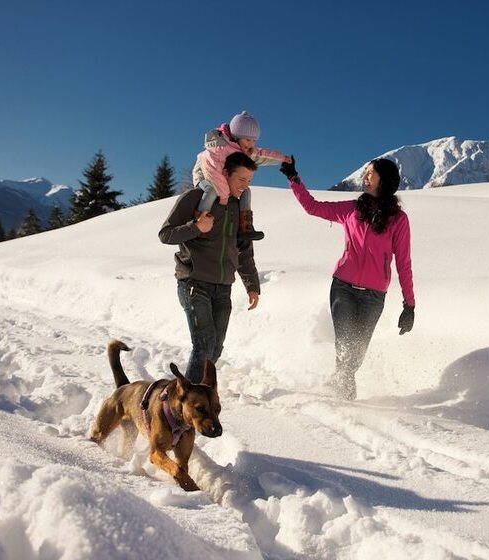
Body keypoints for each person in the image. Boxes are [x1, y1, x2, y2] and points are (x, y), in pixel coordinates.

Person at [280, 156, 416, 400]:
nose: (365, 176)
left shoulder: (398, 220)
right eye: (366, 172)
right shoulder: (352, 209)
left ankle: (338, 387)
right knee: (344, 346)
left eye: (371, 173)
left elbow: (404, 263)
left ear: (384, 179)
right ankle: (344, 399)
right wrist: (293, 178)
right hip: (343, 287)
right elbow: (313, 207)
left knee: (356, 354)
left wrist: (410, 305)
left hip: (374, 296)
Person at [159, 151, 262, 383]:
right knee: (203, 344)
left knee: (215, 349)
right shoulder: (196, 197)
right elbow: (166, 234)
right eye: (241, 179)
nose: (245, 186)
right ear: (225, 173)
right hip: (194, 283)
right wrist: (196, 227)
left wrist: (252, 285)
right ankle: (187, 401)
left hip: (223, 288)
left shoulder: (240, 208)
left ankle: (192, 395)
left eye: (249, 181)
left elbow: (244, 249)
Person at [192, 110, 291, 241]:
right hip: (204, 175)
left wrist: (282, 158)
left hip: (224, 177)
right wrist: (224, 196)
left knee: (246, 191)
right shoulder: (219, 148)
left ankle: (245, 227)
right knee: (211, 191)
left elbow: (261, 155)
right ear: (236, 136)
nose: (250, 144)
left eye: (254, 140)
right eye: (248, 139)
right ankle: (200, 223)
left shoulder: (242, 149)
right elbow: (214, 174)